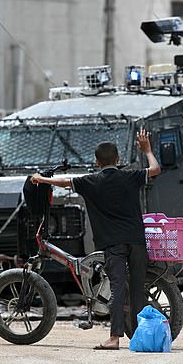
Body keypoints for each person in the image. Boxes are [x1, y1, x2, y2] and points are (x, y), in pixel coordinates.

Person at [31, 130, 161, 350]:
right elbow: (156, 169)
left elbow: (64, 182)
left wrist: (41, 178)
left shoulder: (91, 181)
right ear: (118, 160)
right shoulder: (130, 176)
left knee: (118, 287)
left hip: (114, 244)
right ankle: (141, 338)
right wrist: (147, 150)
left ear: (96, 162)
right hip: (137, 241)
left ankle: (114, 338)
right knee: (138, 288)